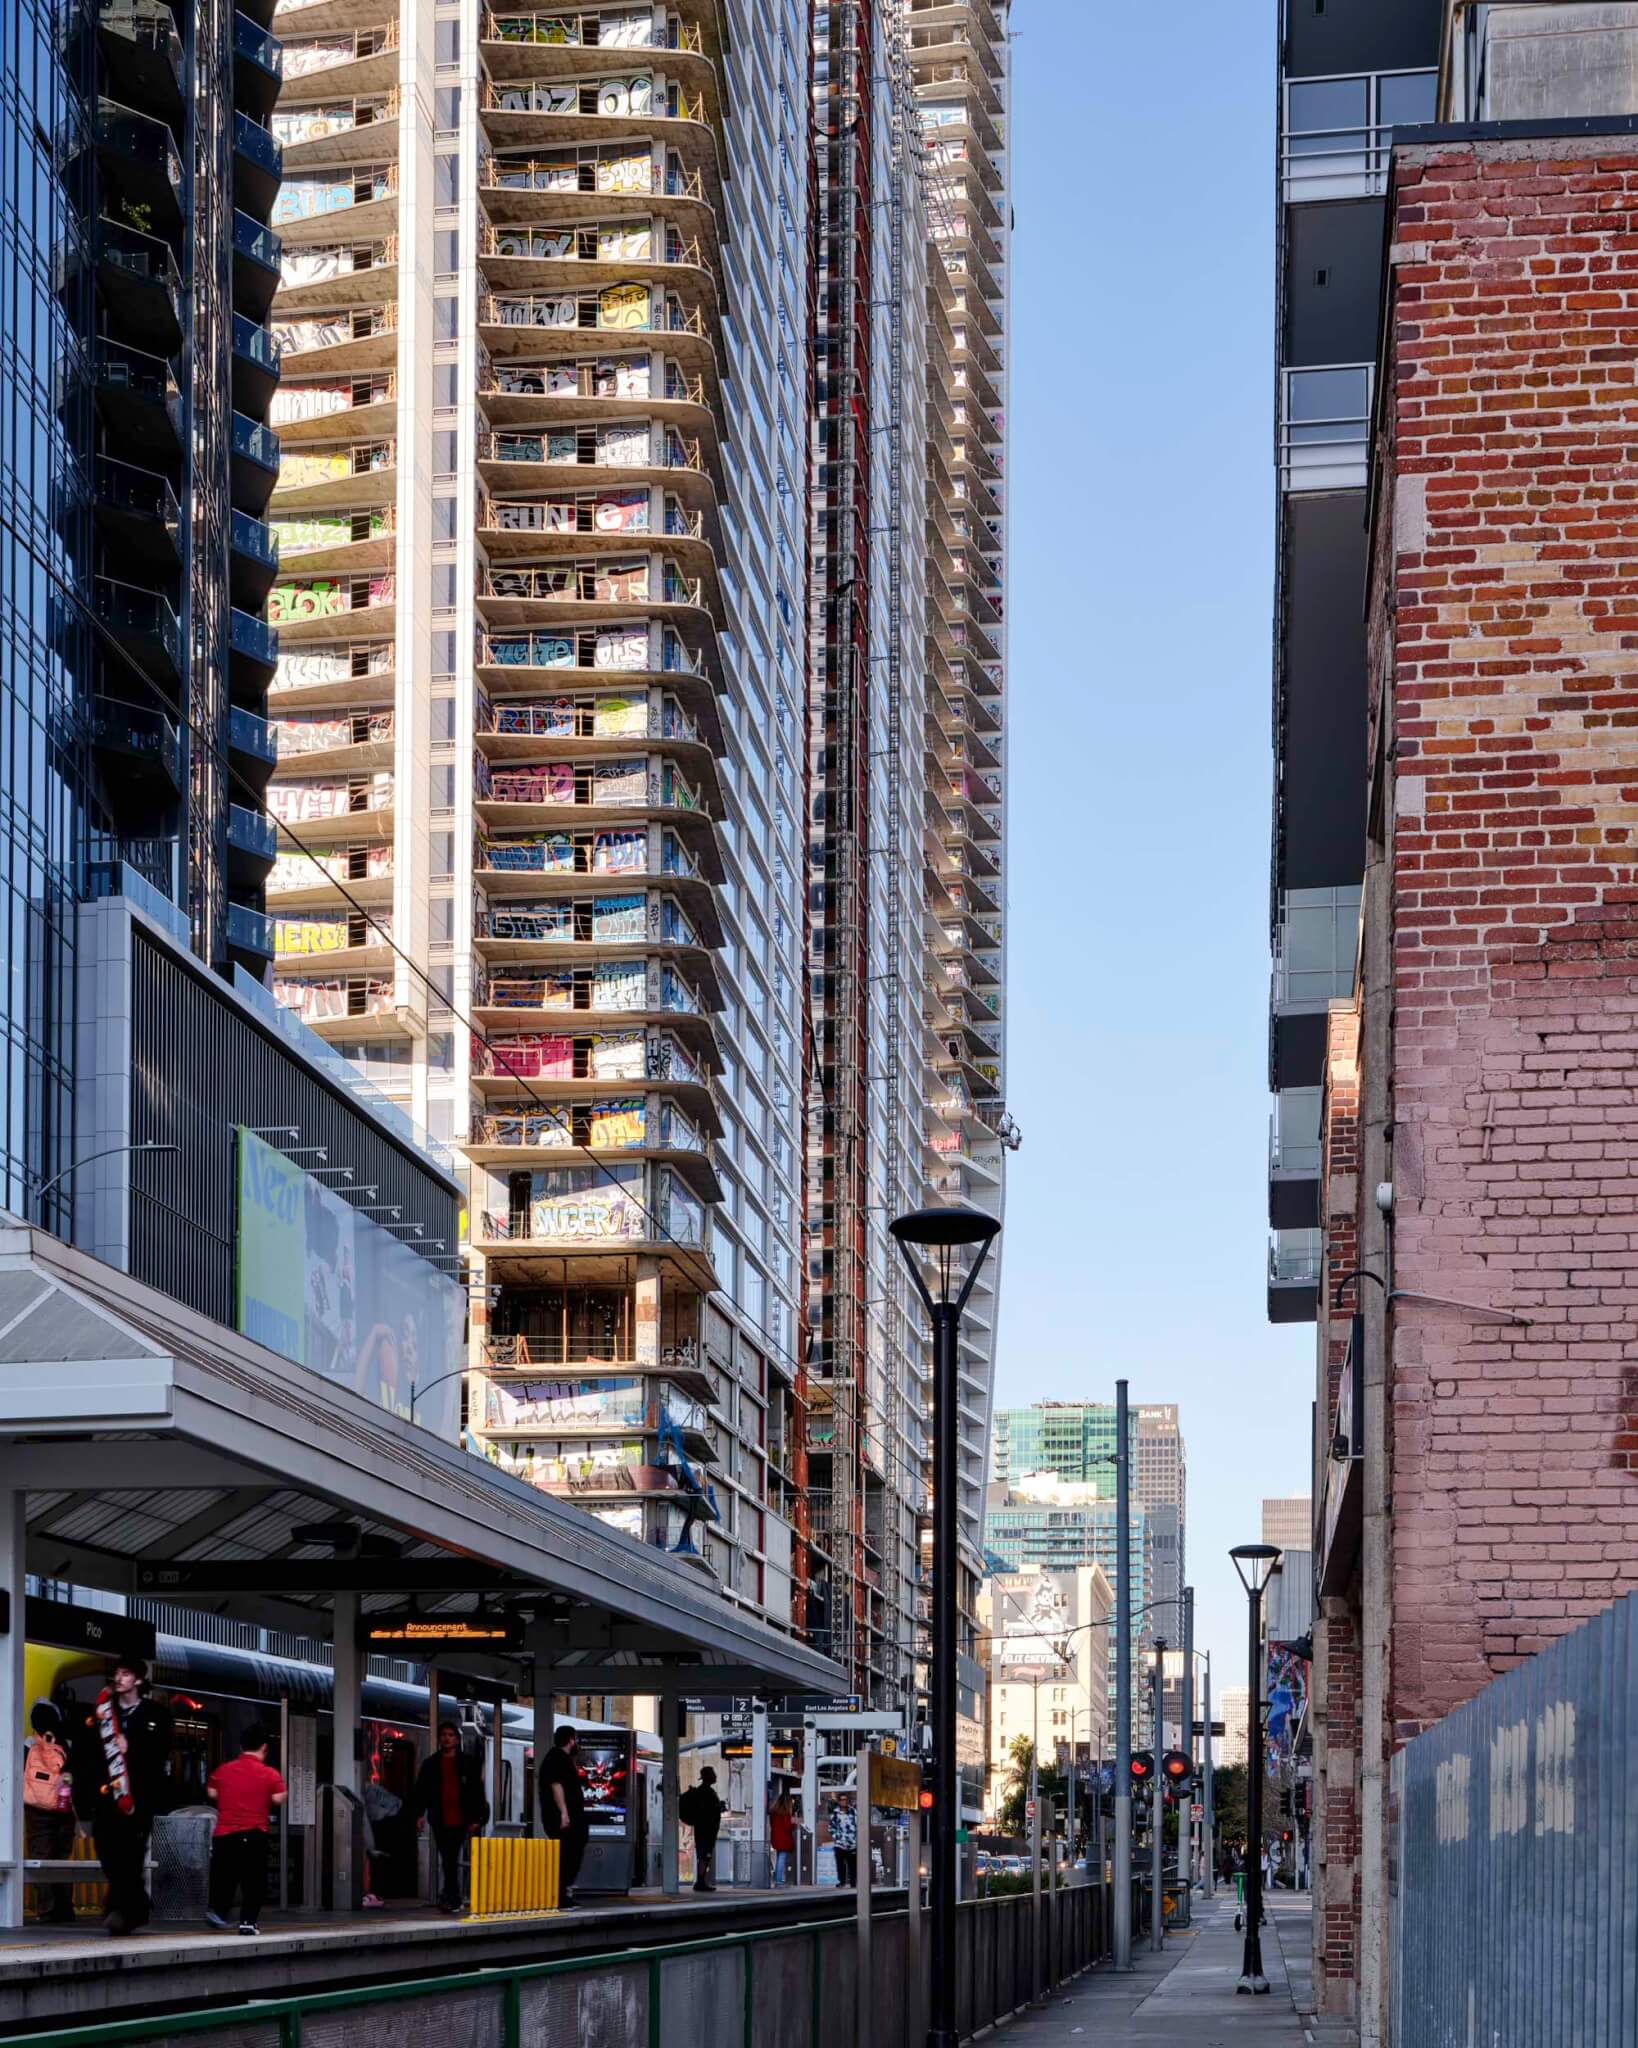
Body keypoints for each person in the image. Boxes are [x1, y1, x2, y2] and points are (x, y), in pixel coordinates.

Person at [67, 1658, 172, 1935]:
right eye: (116, 1673)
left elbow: (162, 1753)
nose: (119, 1678)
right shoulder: (101, 1715)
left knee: (131, 1856)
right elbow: (85, 1756)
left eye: (126, 1674)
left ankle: (122, 1912)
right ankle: (134, 1907)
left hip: (138, 1801)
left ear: (138, 1680)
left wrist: (132, 1747)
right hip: (105, 1801)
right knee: (107, 1853)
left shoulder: (155, 1714)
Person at [205, 1724, 287, 1934]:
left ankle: (218, 1911)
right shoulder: (270, 1773)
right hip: (254, 1833)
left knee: (224, 1876)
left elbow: (212, 1793)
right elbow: (279, 1798)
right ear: (264, 1748)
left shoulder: (224, 1769)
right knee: (253, 1879)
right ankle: (248, 1922)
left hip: (224, 1835)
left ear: (241, 1747)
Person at [411, 1722, 490, 1913]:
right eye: (443, 1735)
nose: (446, 1738)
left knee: (450, 1856)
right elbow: (421, 1791)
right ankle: (451, 1896)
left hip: (461, 1817)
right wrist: (419, 1814)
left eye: (451, 1735)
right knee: (447, 1856)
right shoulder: (431, 1764)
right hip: (439, 1816)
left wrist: (477, 1818)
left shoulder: (468, 1763)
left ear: (457, 1739)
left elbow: (476, 1792)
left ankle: (450, 1896)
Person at [24, 1701, 76, 1925]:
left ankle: (46, 1910)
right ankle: (65, 1910)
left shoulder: (28, 1744)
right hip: (64, 1808)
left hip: (36, 1808)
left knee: (40, 1858)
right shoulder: (67, 1745)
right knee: (63, 1858)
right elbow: (74, 1775)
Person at [538, 1723, 588, 1906]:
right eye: (576, 1739)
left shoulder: (558, 1758)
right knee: (567, 1855)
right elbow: (556, 1785)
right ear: (571, 1740)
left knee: (570, 1853)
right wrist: (564, 1813)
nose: (577, 1743)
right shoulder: (557, 1758)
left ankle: (562, 1893)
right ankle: (559, 1894)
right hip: (563, 1818)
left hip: (565, 1817)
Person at [678, 1767, 724, 1893]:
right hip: (706, 1830)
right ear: (709, 1777)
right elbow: (708, 1811)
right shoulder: (706, 1792)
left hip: (702, 1829)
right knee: (704, 1856)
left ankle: (701, 1880)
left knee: (703, 1856)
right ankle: (700, 1881)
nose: (716, 1777)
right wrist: (718, 1807)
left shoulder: (701, 1791)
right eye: (713, 1774)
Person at [768, 1791, 796, 1888]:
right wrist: (794, 1825)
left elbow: (772, 1824)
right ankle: (778, 1881)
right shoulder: (785, 1812)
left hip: (776, 1837)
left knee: (779, 1857)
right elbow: (788, 1827)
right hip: (784, 1838)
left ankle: (777, 1879)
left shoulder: (773, 1812)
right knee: (782, 1858)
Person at [829, 1792, 857, 1888]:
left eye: (845, 1799)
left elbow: (858, 1824)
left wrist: (856, 1837)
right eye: (842, 1800)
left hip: (852, 1843)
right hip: (839, 1843)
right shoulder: (835, 1813)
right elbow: (831, 1827)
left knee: (852, 1865)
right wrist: (836, 1836)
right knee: (840, 1865)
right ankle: (842, 1882)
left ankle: (853, 1883)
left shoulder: (853, 1812)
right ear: (839, 1801)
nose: (844, 1801)